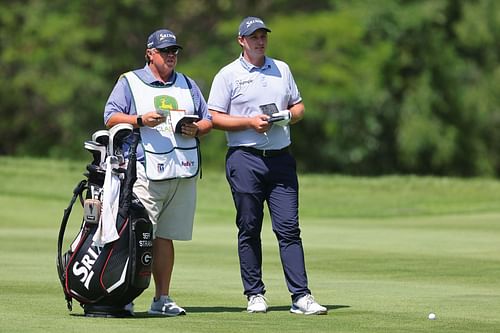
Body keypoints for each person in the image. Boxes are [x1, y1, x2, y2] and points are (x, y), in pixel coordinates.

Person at [207, 17, 327, 315]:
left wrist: (286, 116)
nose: (260, 41)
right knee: (249, 227)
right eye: (254, 37)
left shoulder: (281, 69)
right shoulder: (228, 75)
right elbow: (214, 117)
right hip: (244, 159)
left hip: (281, 159)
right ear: (241, 40)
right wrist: (248, 122)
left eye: (263, 36)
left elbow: (299, 107)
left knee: (289, 229)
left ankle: (301, 296)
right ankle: (255, 294)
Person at [104, 28, 212, 316]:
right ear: (150, 53)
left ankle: (161, 299)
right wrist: (140, 119)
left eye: (174, 51)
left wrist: (197, 128)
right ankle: (124, 294)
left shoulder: (187, 84)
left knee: (166, 237)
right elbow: (111, 116)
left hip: (182, 171)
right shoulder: (130, 81)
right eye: (165, 51)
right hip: (144, 170)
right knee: (138, 234)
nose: (171, 56)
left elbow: (208, 119)